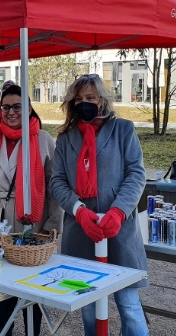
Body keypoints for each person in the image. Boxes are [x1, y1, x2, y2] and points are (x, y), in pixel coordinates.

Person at [50, 74, 149, 336]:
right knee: (90, 308)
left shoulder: (123, 130)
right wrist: (78, 211)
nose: (84, 103)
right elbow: (57, 181)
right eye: (79, 99)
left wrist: (119, 211)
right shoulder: (65, 138)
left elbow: (136, 174)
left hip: (119, 231)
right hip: (81, 233)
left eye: (90, 98)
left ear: (102, 101)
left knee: (128, 305)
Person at [0, 85, 63, 336]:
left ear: (28, 109)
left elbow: (56, 188)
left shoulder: (43, 140)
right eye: (5, 107)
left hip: (32, 224)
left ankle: (32, 332)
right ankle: (5, 330)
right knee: (0, 283)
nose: (11, 112)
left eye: (17, 106)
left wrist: (52, 227)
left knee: (31, 285)